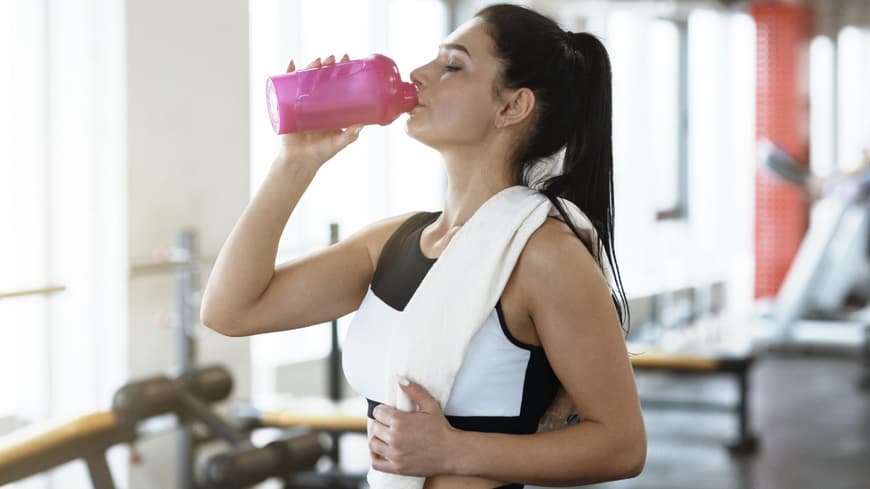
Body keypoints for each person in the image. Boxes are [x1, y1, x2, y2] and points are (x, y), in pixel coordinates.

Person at [201, 3, 646, 488]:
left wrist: (453, 450)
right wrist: (295, 162)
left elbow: (621, 445)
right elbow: (231, 311)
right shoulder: (391, 242)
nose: (417, 74)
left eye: (452, 65)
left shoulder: (543, 255)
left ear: (512, 106)